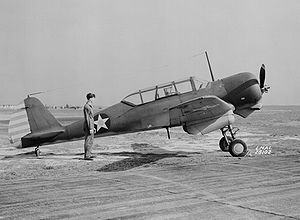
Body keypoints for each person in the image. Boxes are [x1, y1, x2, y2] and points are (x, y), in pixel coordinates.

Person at [83, 93, 96, 160]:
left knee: (91, 140)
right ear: (90, 98)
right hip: (88, 126)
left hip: (90, 125)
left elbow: (91, 118)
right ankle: (87, 156)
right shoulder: (87, 107)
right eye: (93, 98)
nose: (94, 99)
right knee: (88, 140)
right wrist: (90, 128)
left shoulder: (89, 106)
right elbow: (88, 118)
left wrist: (92, 127)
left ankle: (89, 154)